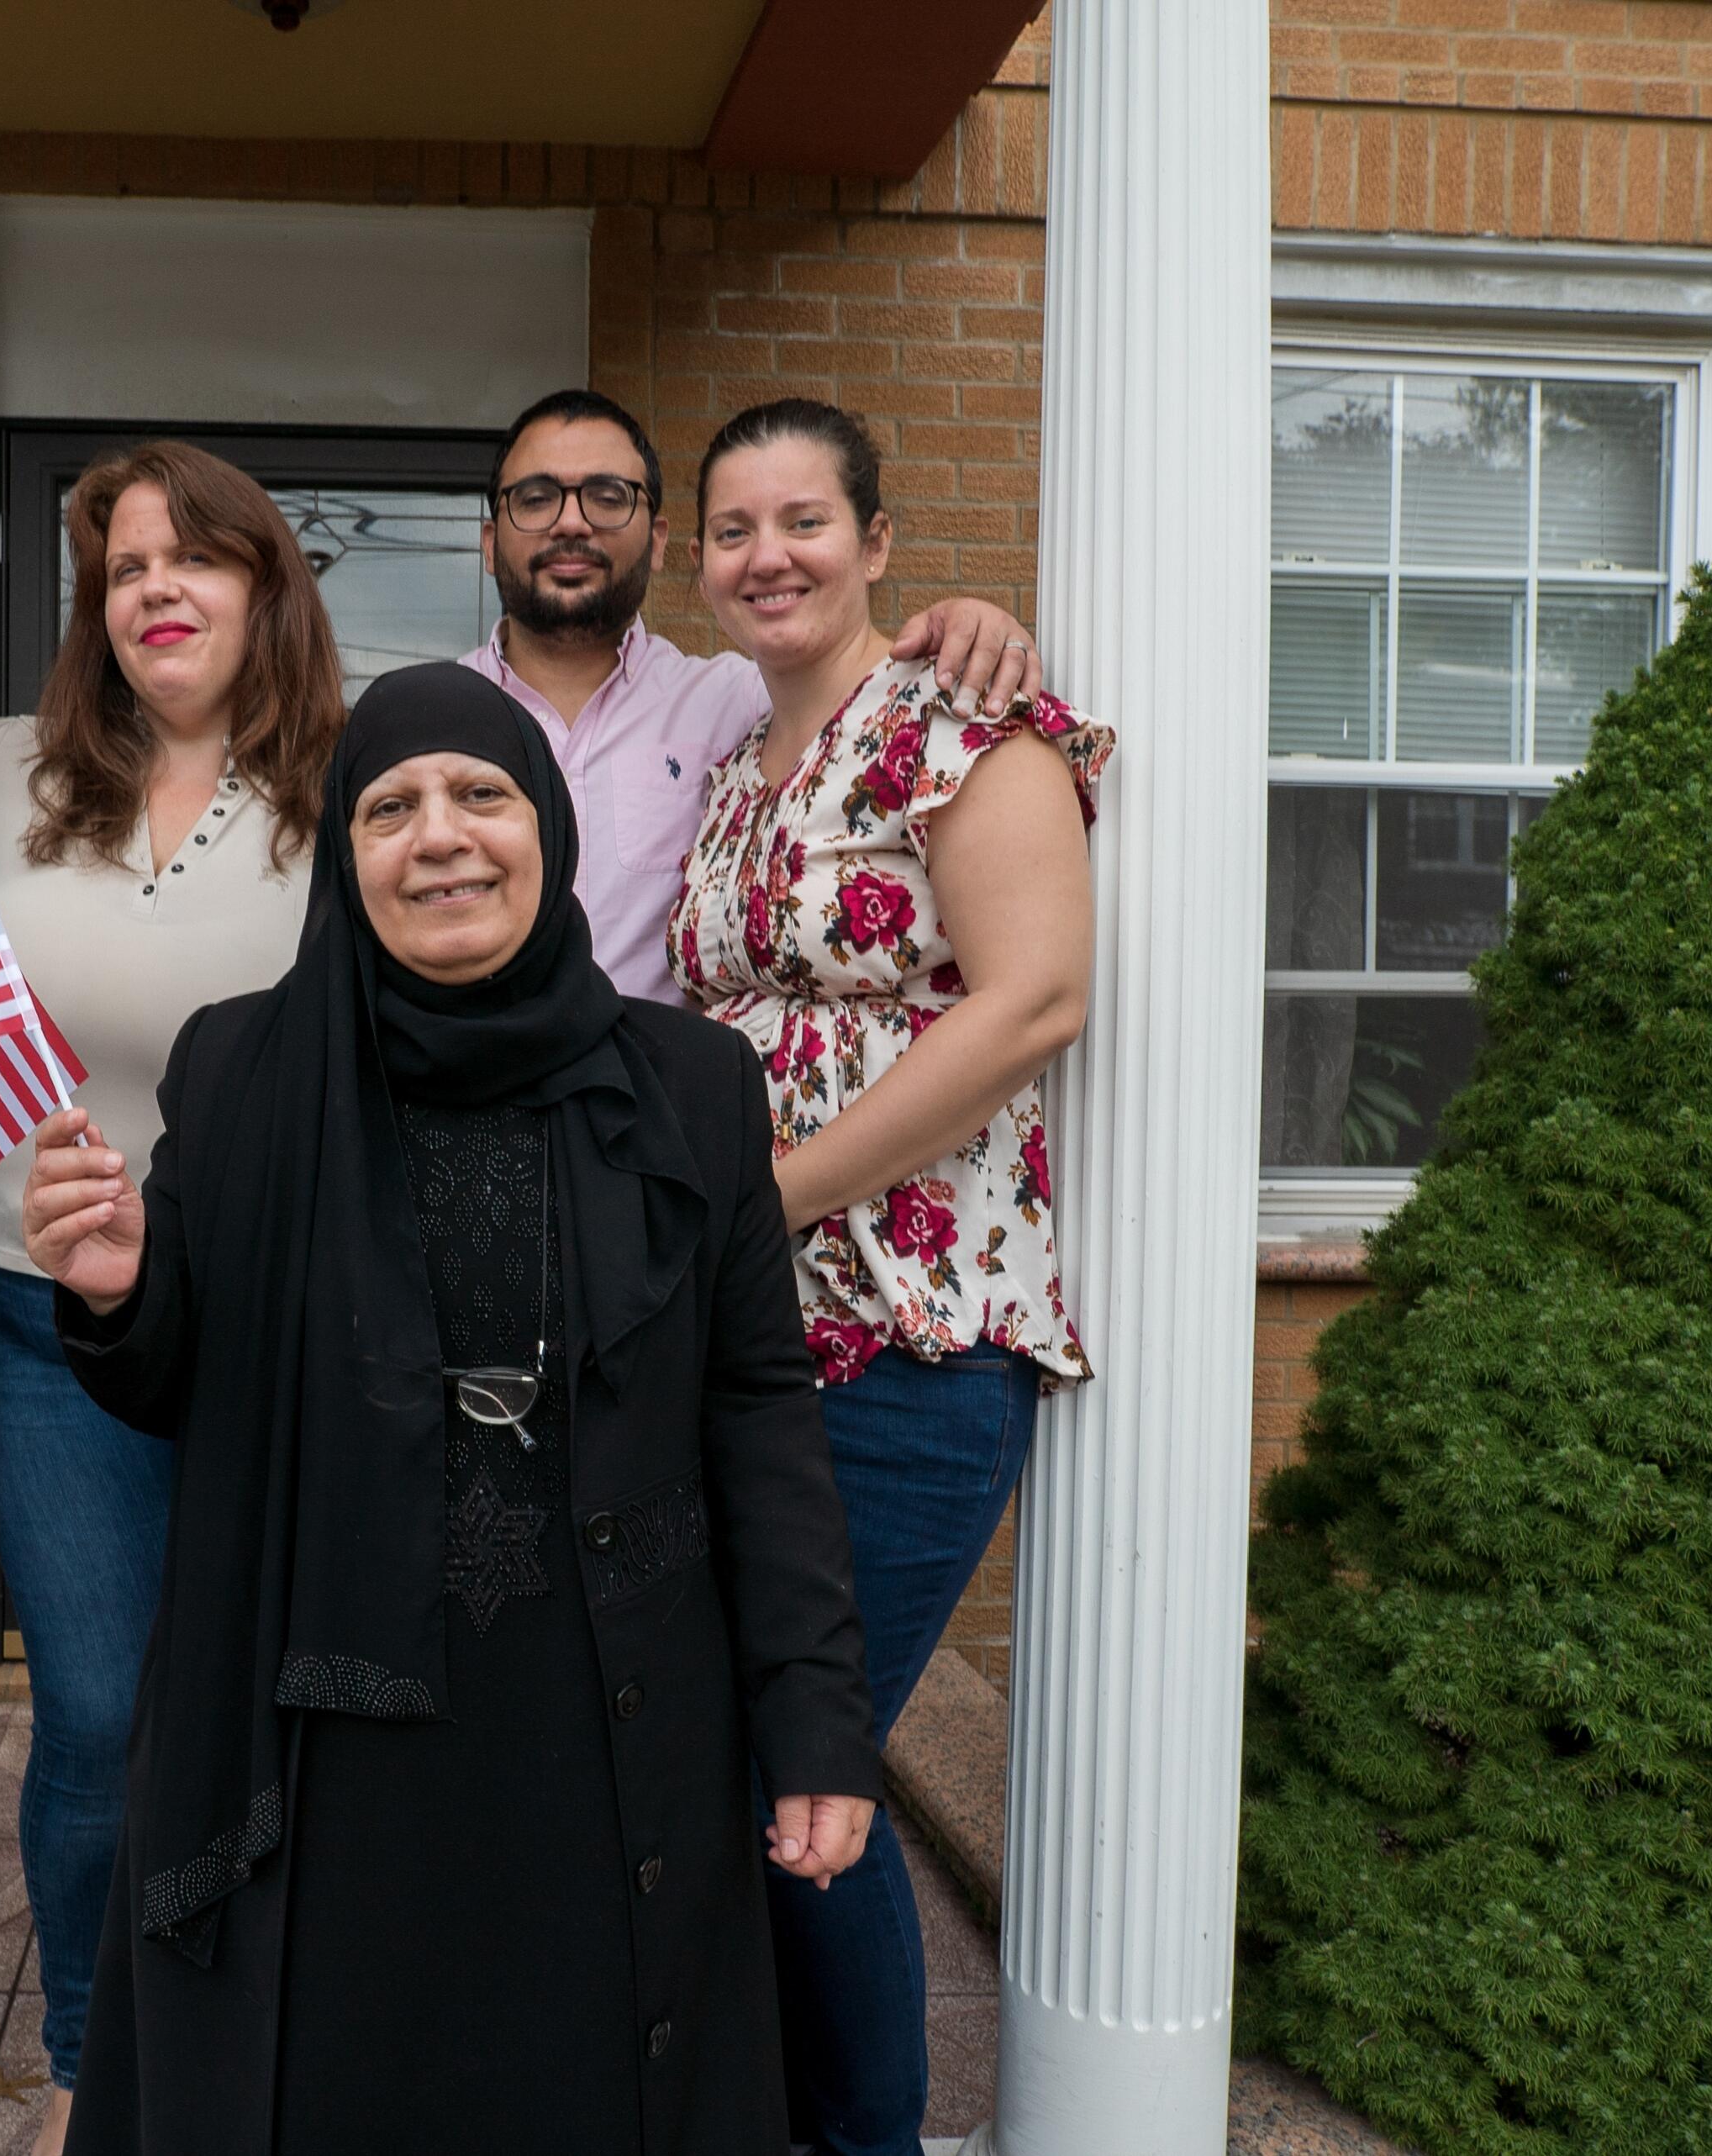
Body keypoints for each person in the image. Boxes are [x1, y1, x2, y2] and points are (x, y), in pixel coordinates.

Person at [24, 662, 883, 2156]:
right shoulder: (242, 1065)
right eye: (390, 806)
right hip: (335, 1749)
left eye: (481, 795)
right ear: (346, 861)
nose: (441, 836)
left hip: (608, 1723)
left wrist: (814, 1724)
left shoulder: (690, 1084)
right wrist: (112, 1290)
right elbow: (172, 1386)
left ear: (545, 829)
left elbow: (758, 1415)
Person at [665, 398, 1110, 2156]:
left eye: (804, 519)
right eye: (735, 527)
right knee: (736, 1758)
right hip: (746, 1336)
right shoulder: (733, 779)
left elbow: (1031, 998)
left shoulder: (959, 725)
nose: (768, 553)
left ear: (874, 540)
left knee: (807, 1770)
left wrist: (766, 1200)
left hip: (914, 1342)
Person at [0, 441, 343, 2155]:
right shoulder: (5, 770)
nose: (157, 591)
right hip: (47, 1316)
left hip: (283, 1323)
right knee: (104, 1707)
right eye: (123, 568)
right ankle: (80, 2062)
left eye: (196, 559)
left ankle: (277, 2048)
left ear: (265, 585)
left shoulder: (352, 783)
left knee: (291, 1699)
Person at [463, 387, 1046, 1005]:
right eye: (535, 499)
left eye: (608, 498)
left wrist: (977, 623)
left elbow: (858, 673)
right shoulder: (428, 724)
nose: (571, 521)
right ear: (490, 541)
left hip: (665, 1096)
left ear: (661, 543)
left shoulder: (747, 702)